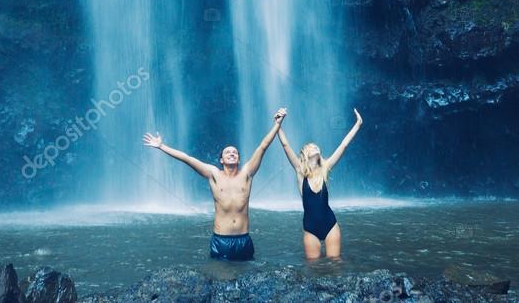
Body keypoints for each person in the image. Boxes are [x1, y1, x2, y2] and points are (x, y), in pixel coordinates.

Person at [142, 108, 286, 261]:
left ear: (238, 160)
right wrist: (161, 146)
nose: (232, 153)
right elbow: (187, 158)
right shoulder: (213, 174)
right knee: (220, 277)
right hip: (221, 240)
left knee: (247, 277)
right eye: (227, 152)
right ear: (221, 160)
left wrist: (277, 124)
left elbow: (263, 146)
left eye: (235, 153)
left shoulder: (247, 173)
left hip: (243, 239)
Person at [276, 108, 362, 259]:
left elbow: (343, 145)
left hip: (330, 225)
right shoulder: (300, 171)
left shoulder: (325, 167)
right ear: (304, 153)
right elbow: (285, 145)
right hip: (310, 228)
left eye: (316, 146)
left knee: (335, 264)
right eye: (310, 146)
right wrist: (278, 124)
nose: (315, 147)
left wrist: (358, 124)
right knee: (313, 267)